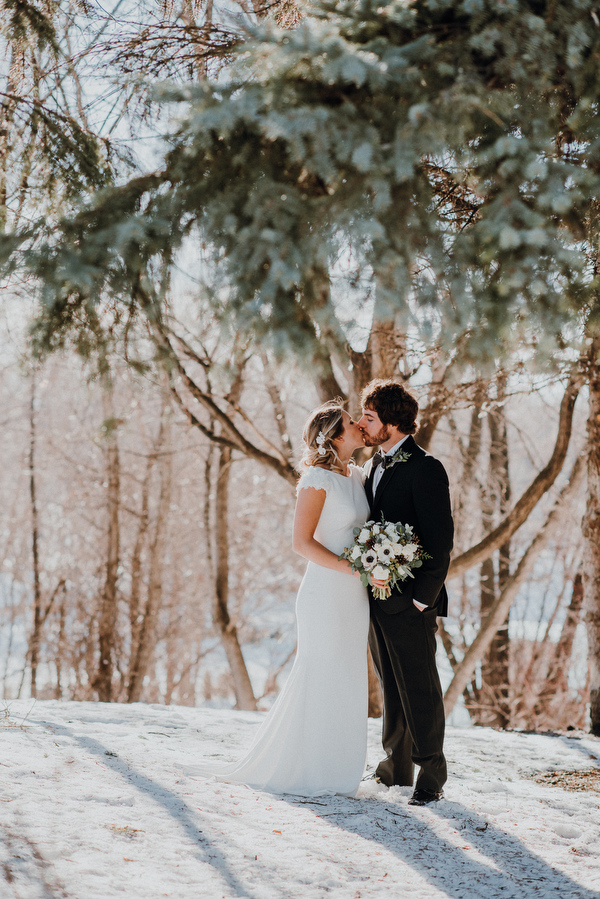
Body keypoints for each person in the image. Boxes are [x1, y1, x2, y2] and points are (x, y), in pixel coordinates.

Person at [197, 401, 371, 797]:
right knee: (320, 675)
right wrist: (355, 570)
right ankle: (308, 768)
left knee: (347, 677)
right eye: (350, 422)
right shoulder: (316, 480)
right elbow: (301, 543)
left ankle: (339, 767)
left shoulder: (358, 475)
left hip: (355, 598)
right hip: (325, 594)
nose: (359, 424)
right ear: (336, 435)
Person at [357, 379, 454, 806]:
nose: (362, 424)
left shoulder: (426, 467)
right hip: (376, 600)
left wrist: (420, 600)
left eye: (370, 417)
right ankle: (394, 766)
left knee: (420, 687)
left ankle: (431, 770)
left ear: (393, 423)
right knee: (390, 686)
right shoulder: (375, 464)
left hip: (413, 602)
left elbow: (440, 541)